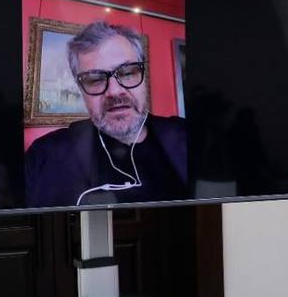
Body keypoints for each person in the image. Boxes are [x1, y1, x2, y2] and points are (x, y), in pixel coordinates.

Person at [25, 21, 187, 207]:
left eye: (127, 73)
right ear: (80, 89)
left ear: (143, 77)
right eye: (95, 79)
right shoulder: (43, 156)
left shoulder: (187, 136)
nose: (114, 91)